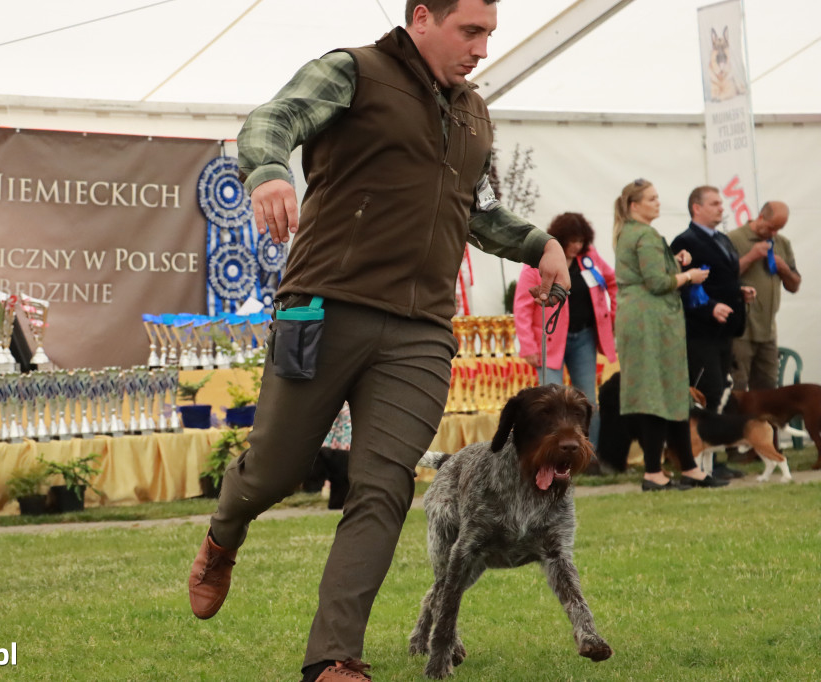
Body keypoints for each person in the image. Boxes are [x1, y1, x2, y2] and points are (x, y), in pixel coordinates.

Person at [187, 2, 572, 680]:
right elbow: (270, 120)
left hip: (421, 329)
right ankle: (223, 535)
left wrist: (540, 245)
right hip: (325, 306)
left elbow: (473, 210)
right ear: (423, 16)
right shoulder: (353, 73)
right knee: (275, 468)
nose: (481, 49)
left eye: (489, 34)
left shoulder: (474, 112)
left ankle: (334, 658)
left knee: (383, 485)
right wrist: (269, 171)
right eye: (470, 31)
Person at [612, 179, 726, 491]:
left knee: (669, 393)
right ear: (635, 205)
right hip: (653, 323)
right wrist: (689, 275)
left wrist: (673, 263)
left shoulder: (628, 233)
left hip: (641, 321)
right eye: (652, 198)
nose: (657, 202)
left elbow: (645, 273)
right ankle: (654, 473)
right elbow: (656, 283)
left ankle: (688, 467)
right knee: (659, 395)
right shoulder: (645, 234)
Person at [670, 185, 755, 479]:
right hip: (700, 332)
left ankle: (714, 460)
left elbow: (720, 280)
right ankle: (700, 463)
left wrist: (738, 291)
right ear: (697, 208)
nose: (722, 208)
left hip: (724, 331)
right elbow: (684, 288)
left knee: (722, 393)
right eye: (715, 203)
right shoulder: (684, 241)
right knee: (708, 394)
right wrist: (710, 308)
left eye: (722, 203)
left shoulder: (722, 239)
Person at [513, 212, 617, 448]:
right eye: (572, 241)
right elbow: (522, 305)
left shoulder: (590, 259)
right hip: (548, 344)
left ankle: (589, 457)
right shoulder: (539, 261)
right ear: (560, 239)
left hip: (584, 340)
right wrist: (528, 345)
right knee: (550, 402)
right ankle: (550, 456)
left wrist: (611, 317)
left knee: (587, 401)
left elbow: (612, 283)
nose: (577, 246)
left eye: (581, 241)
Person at [728, 201, 800, 390]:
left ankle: (765, 421)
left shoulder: (782, 243)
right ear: (760, 217)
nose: (774, 233)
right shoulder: (733, 239)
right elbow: (723, 278)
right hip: (741, 332)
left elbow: (794, 286)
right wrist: (751, 257)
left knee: (768, 390)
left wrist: (784, 269)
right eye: (771, 227)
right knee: (739, 388)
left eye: (779, 229)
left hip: (768, 331)